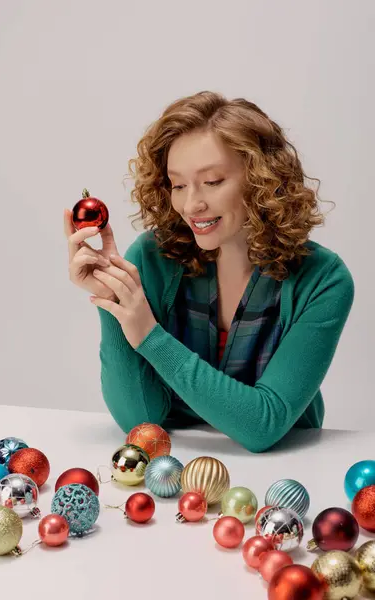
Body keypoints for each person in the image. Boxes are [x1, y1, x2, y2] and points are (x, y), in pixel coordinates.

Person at [64, 91, 354, 453]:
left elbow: (263, 425)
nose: (191, 204)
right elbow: (140, 420)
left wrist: (150, 337)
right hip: (179, 467)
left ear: (262, 179)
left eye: (213, 181)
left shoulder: (323, 280)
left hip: (285, 470)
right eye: (178, 185)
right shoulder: (154, 257)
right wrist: (112, 298)